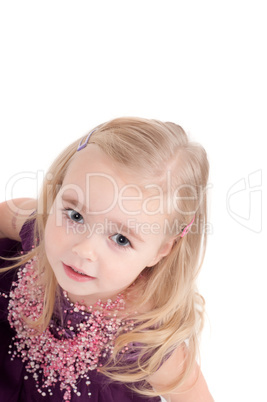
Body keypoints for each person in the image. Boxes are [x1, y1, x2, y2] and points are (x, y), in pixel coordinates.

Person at [0, 117, 213, 401]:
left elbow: (194, 395)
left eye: (121, 239)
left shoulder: (143, 334)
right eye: (75, 215)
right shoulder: (38, 231)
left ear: (161, 250)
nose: (84, 250)